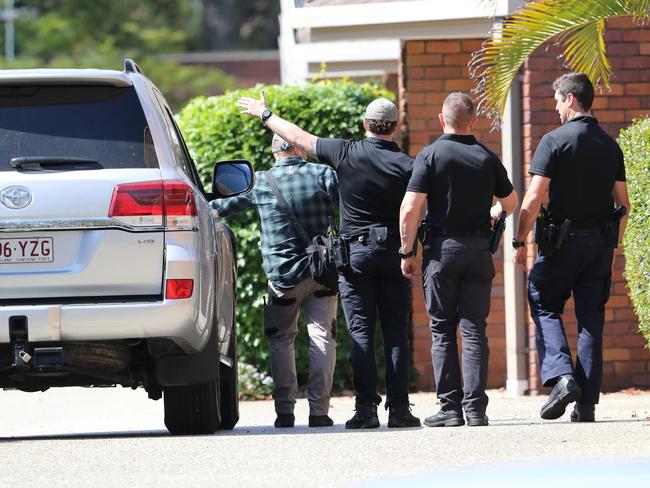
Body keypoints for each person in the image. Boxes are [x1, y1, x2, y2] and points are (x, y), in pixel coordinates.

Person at [236, 92, 420, 429]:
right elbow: (416, 209)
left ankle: (366, 412)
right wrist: (409, 250)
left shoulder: (345, 151)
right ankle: (400, 411)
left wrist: (264, 114)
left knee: (361, 333)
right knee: (396, 334)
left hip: (355, 257)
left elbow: (298, 138)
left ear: (365, 124)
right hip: (394, 254)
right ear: (396, 126)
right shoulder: (409, 165)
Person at [513, 73, 630, 422]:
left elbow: (534, 198)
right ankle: (586, 405)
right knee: (591, 319)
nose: (556, 108)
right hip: (599, 246)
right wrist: (614, 244)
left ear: (571, 99)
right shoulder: (611, 145)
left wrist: (519, 240)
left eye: (558, 101)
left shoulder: (554, 141)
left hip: (562, 244)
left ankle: (563, 377)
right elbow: (624, 203)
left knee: (544, 302)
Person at [399, 92, 518, 427]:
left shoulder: (430, 155)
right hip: (479, 252)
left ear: (441, 119)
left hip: (442, 253)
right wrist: (493, 211)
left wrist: (407, 251)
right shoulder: (486, 157)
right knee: (474, 329)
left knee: (442, 329)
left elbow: (410, 208)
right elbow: (511, 203)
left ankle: (450, 409)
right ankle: (476, 410)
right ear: (473, 120)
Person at [212, 134, 339, 429]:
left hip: (283, 277)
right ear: (297, 148)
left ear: (275, 153)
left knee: (281, 339)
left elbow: (219, 207)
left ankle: (285, 412)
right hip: (322, 273)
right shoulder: (323, 174)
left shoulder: (259, 182)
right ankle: (319, 412)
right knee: (323, 337)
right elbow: (354, 202)